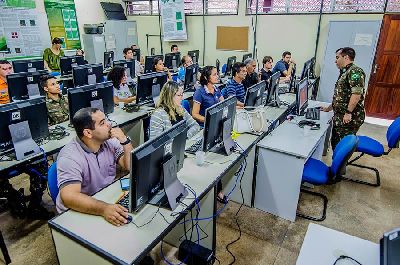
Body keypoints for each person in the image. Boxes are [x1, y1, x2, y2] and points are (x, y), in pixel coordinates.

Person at [56, 107, 133, 226]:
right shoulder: (69, 157)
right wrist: (103, 209)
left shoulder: (109, 141)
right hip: (77, 209)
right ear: (88, 133)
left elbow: (129, 166)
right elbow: (69, 197)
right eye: (102, 123)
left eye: (106, 119)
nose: (109, 124)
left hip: (102, 197)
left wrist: (125, 142)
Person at [321, 47, 366, 150]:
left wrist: (348, 112)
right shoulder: (345, 71)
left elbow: (356, 94)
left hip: (349, 118)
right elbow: (340, 96)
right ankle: (337, 165)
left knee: (343, 148)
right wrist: (328, 108)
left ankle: (340, 165)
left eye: (337, 57)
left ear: (345, 57)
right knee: (336, 144)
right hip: (340, 116)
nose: (335, 61)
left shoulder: (355, 72)